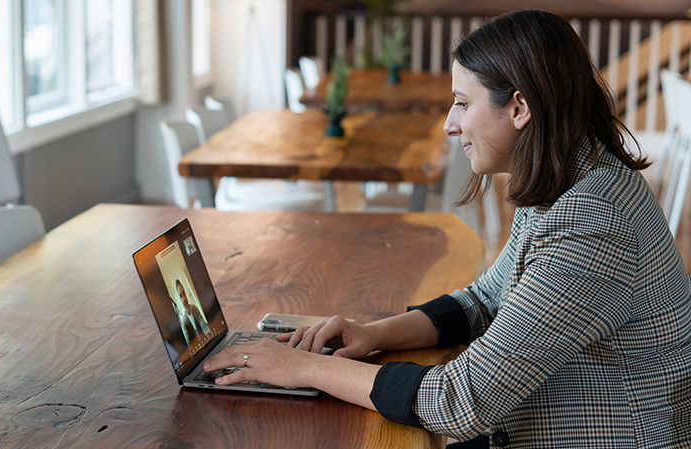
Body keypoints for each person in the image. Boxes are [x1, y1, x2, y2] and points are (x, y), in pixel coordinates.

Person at [203, 10, 691, 448]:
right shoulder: (567, 176)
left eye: (462, 102)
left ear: (520, 109)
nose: (449, 124)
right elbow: (485, 300)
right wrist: (373, 334)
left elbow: (461, 401)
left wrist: (306, 368)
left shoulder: (592, 217)